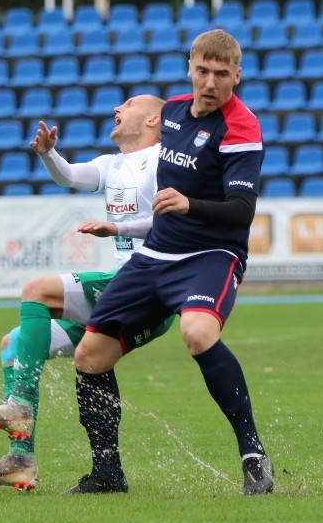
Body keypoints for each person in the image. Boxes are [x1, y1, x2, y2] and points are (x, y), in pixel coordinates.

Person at [70, 28, 274, 496]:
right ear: (190, 68)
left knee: (198, 333)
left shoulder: (241, 128)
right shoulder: (174, 112)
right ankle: (107, 474)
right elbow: (132, 146)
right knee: (89, 356)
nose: (210, 82)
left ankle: (253, 456)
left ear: (236, 77)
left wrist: (188, 204)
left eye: (221, 74)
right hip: (156, 255)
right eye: (202, 70)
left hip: (210, 256)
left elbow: (241, 211)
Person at [0, 94, 175, 492]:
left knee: (37, 290)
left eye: (128, 103)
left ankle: (18, 409)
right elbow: (70, 176)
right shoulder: (112, 165)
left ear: (153, 119)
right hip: (122, 286)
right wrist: (49, 154)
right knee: (16, 343)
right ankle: (22, 459)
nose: (117, 108)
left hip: (150, 283)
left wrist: (118, 229)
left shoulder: (166, 158)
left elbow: (173, 219)